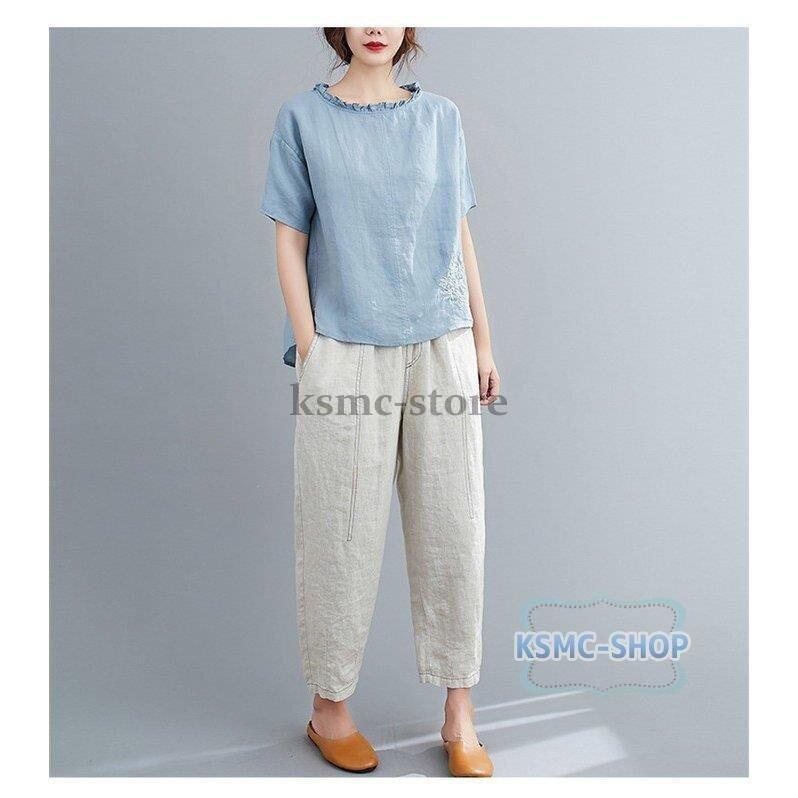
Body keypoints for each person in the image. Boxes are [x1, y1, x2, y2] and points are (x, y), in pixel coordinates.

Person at [261, 27, 500, 777]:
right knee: (338, 530)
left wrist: (483, 344)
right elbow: (290, 237)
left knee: (454, 527)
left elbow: (458, 233)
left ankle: (460, 712)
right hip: (345, 349)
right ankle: (329, 709)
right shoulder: (303, 118)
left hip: (441, 343)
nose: (375, 23)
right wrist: (313, 347)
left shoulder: (440, 118)